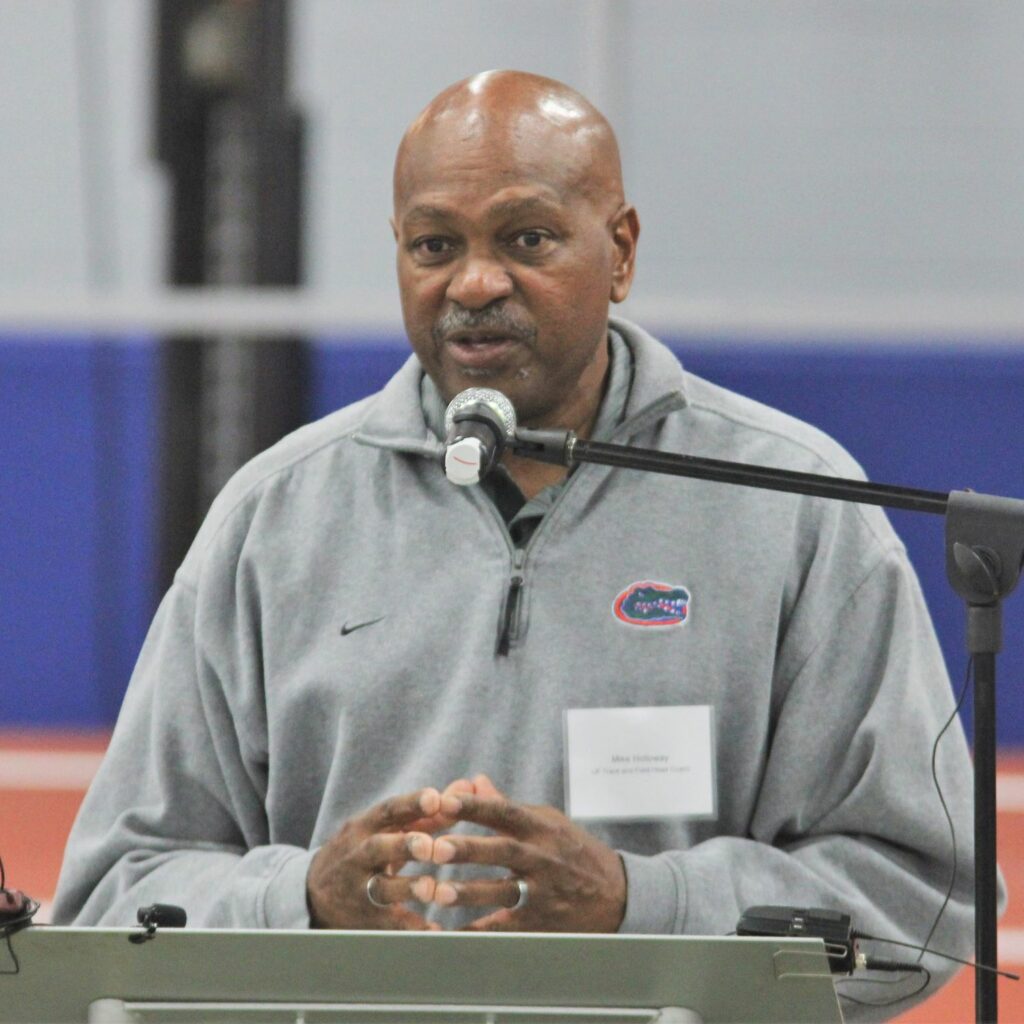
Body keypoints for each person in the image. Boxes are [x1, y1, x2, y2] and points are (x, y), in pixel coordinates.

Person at [54, 70, 976, 1012]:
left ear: (620, 252)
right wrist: (299, 904)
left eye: (526, 239)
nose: (475, 283)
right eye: (434, 245)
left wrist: (643, 904)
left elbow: (921, 899)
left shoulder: (794, 507)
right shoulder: (273, 517)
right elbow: (117, 888)